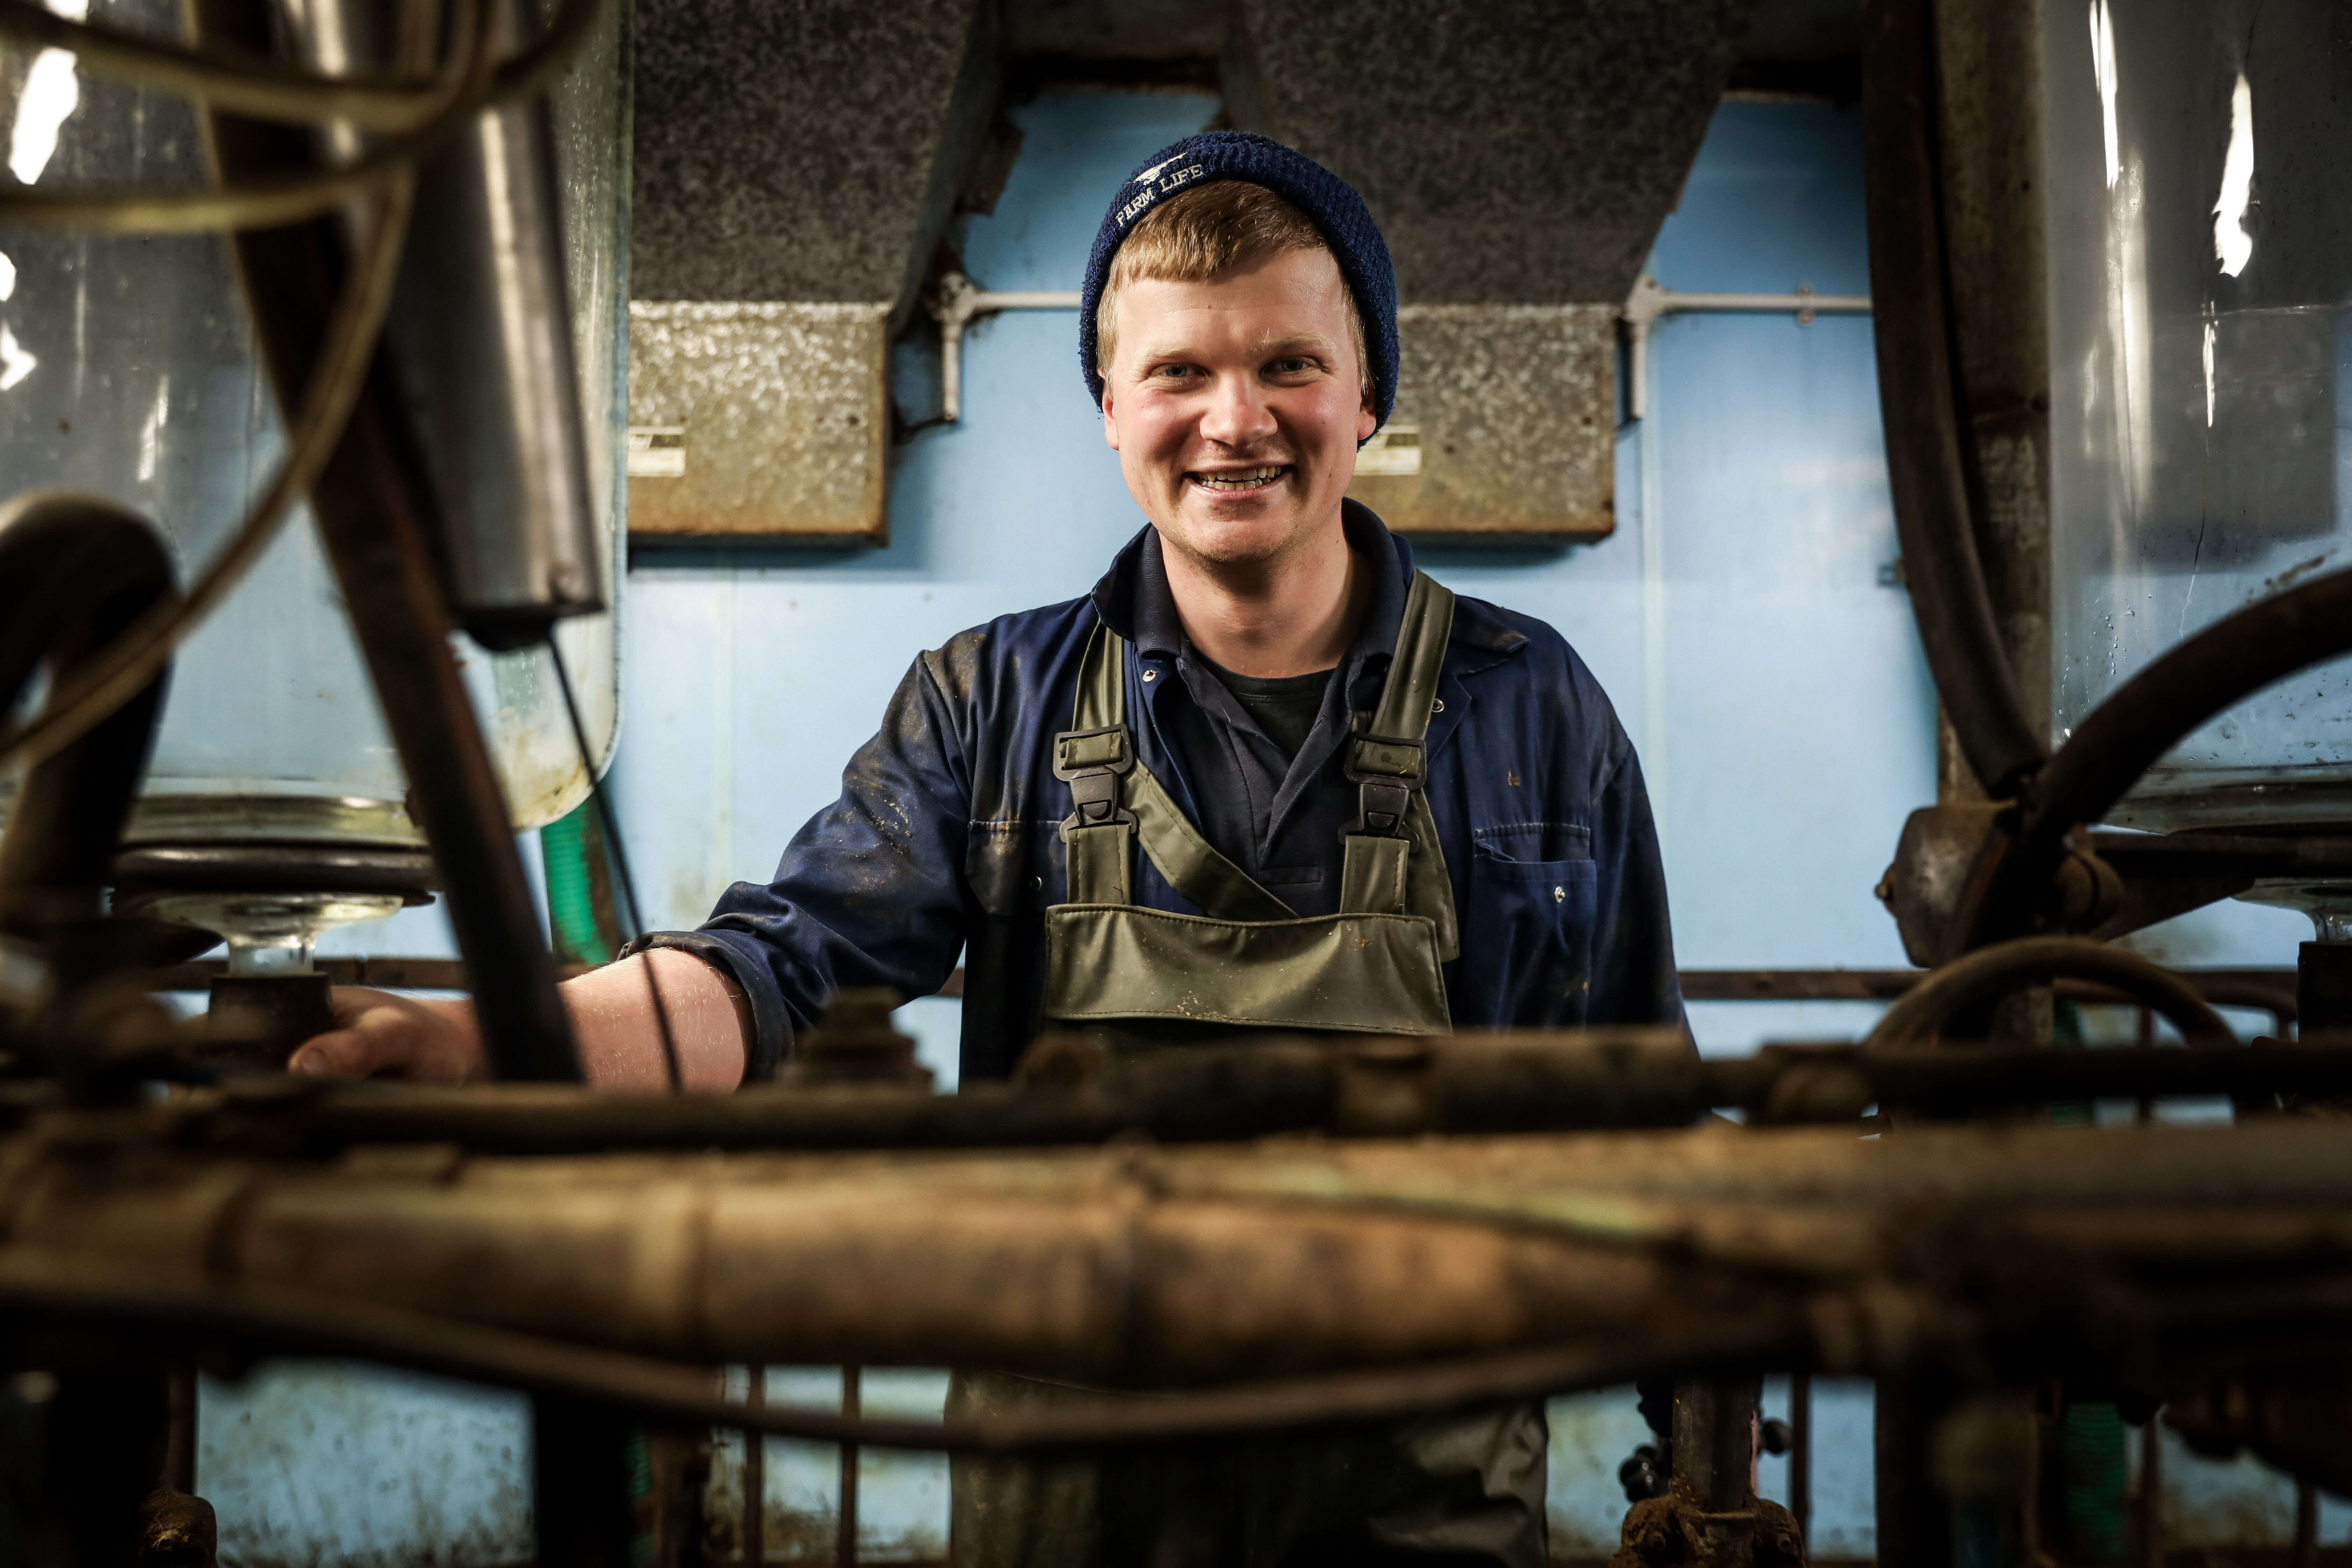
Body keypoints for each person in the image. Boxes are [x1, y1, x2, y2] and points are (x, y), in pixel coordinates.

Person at [291, 132, 1683, 1566]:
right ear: (1106, 403)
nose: (1234, 419)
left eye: (1289, 364)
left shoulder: (1528, 706)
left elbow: (1645, 1097)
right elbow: (777, 974)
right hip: (1071, 1498)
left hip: (1421, 1494)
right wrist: (476, 1043)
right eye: (1178, 373)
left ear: (1369, 388)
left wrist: (1695, 1432)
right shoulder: (992, 702)